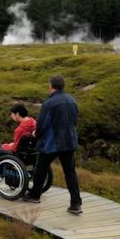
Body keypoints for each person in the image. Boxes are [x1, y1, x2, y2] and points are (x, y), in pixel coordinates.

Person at [22, 75, 82, 214]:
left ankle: (35, 195)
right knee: (70, 172)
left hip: (52, 143)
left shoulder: (49, 104)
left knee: (41, 167)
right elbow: (74, 121)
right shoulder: (73, 101)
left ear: (51, 86)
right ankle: (76, 204)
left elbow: (42, 124)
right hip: (69, 142)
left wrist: (37, 133)